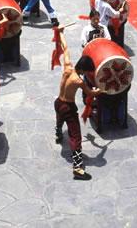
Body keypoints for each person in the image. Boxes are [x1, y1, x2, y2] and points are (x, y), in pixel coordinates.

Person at [53, 29, 100, 180]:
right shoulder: (78, 81)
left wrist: (60, 32)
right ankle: (78, 168)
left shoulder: (68, 67)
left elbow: (65, 47)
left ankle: (58, 133)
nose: (87, 74)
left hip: (58, 102)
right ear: (84, 70)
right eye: (87, 72)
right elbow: (91, 93)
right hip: (68, 107)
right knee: (75, 136)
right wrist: (103, 89)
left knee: (59, 118)